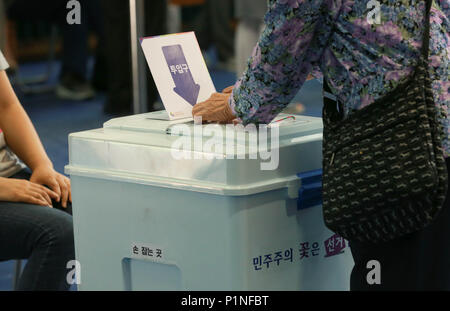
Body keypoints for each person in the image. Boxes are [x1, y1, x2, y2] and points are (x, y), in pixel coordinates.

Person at [193, 0, 450, 290]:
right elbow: (371, 34)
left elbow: (286, 41)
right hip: (436, 127)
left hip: (397, 147)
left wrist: (241, 101)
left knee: (393, 271)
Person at [0, 50, 74, 291]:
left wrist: (42, 165)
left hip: (9, 175)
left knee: (91, 211)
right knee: (60, 233)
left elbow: (6, 107)